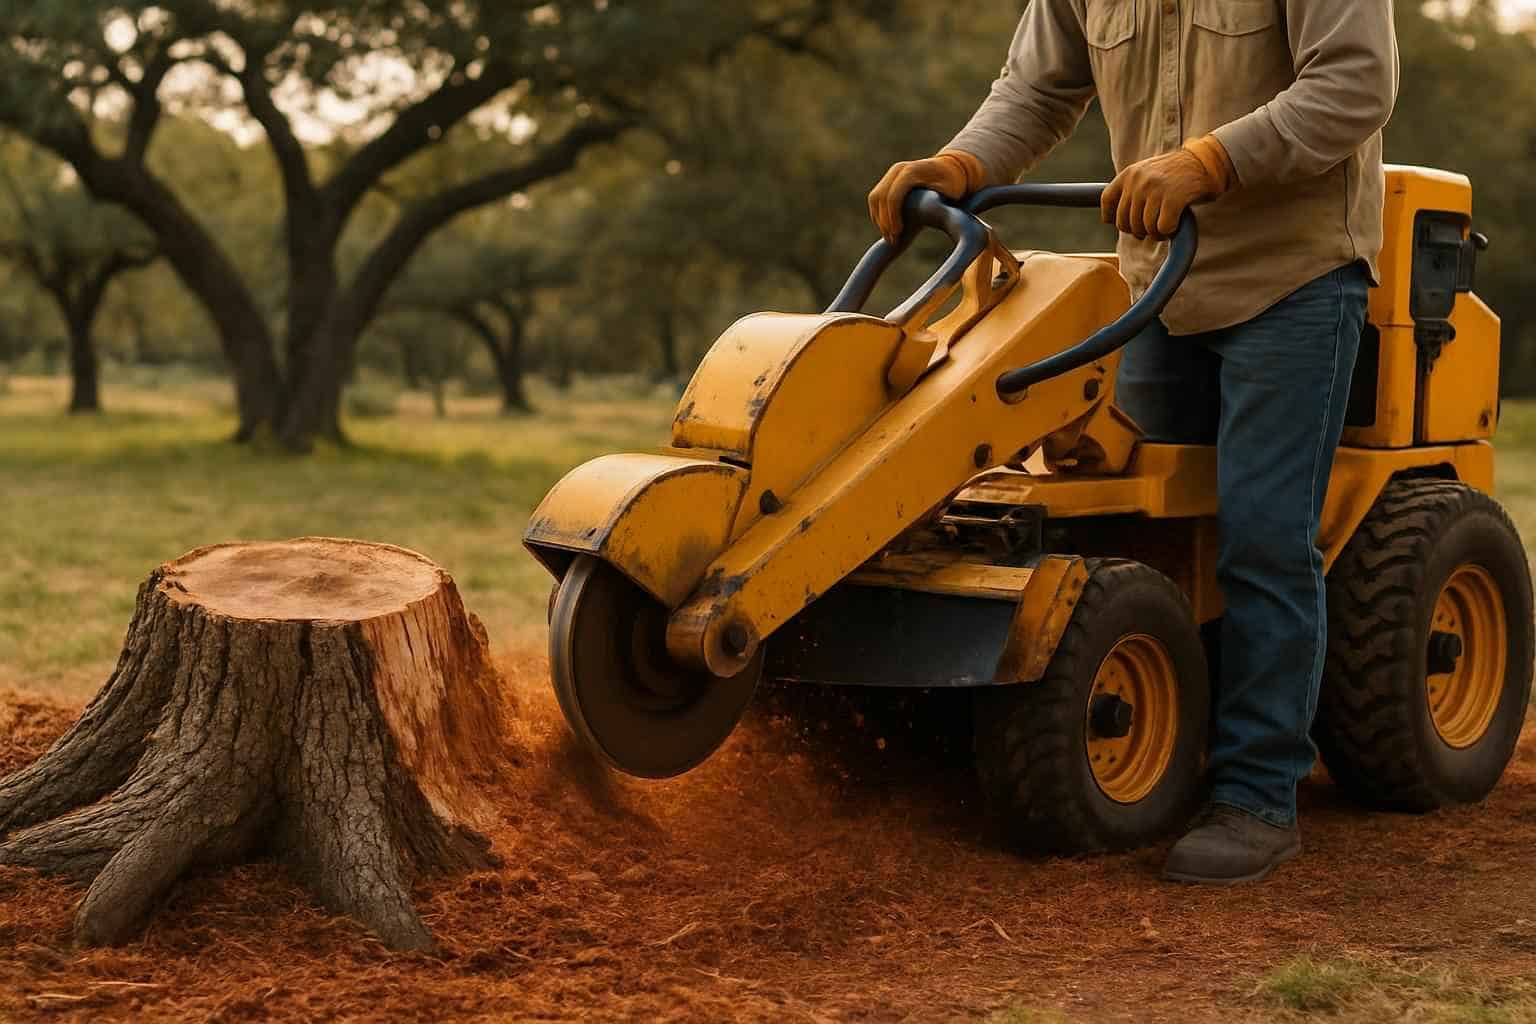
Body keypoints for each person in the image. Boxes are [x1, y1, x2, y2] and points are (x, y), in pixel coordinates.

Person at [869, 1, 1399, 884]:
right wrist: (962, 163)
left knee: (1264, 540)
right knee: (1123, 523)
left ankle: (1258, 795)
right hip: (1156, 282)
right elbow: (1036, 90)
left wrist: (1210, 161)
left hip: (1293, 281)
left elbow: (1355, 84)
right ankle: (1163, 748)